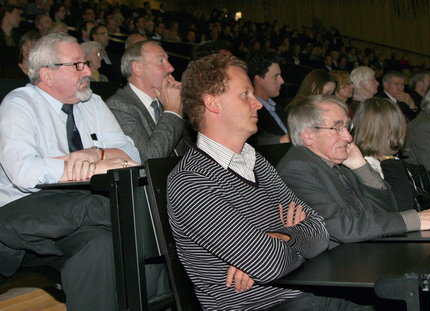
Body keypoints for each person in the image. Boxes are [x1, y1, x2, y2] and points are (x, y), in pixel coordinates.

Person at [168, 53, 369, 311]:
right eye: (245, 95)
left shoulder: (256, 162)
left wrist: (280, 237)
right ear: (213, 104)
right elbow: (267, 262)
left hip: (307, 293)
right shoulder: (191, 183)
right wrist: (286, 241)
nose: (258, 104)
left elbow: (320, 230)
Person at [0, 33, 140, 311]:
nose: (88, 70)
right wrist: (86, 164)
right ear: (47, 74)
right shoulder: (19, 104)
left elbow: (132, 156)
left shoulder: (93, 103)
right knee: (116, 209)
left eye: (86, 63)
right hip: (22, 211)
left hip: (77, 216)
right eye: (77, 64)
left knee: (99, 245)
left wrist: (92, 155)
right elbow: (26, 174)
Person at [277, 95, 430, 248]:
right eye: (337, 128)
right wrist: (414, 220)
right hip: (340, 266)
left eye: (347, 127)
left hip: (365, 250)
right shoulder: (298, 169)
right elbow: (345, 228)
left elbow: (386, 209)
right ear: (308, 135)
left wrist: (360, 166)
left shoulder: (336, 161)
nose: (348, 137)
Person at [352, 97, 430, 212]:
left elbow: (426, 175)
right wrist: (389, 159)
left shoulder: (386, 160)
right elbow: (402, 206)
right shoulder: (365, 167)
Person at [107, 41, 189, 162]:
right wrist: (172, 110)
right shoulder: (119, 106)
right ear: (138, 69)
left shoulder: (166, 100)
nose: (171, 68)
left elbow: (189, 150)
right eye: (161, 61)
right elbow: (149, 159)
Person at [246, 51, 290, 145]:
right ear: (258, 80)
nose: (281, 81)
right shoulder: (250, 113)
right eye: (276, 76)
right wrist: (280, 140)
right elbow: (255, 143)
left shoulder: (279, 107)